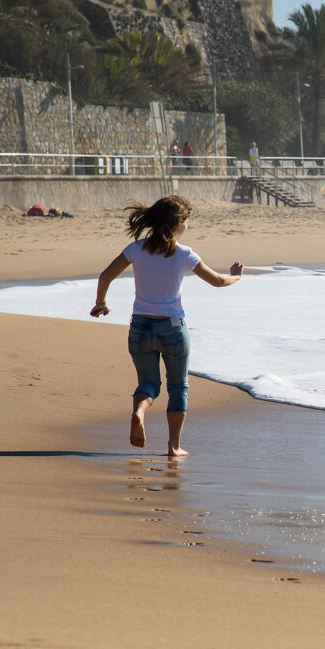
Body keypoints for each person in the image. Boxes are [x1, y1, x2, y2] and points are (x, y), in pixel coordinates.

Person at [89, 195, 243, 459]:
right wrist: (236, 276)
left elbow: (106, 276)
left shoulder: (136, 248)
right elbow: (217, 281)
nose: (186, 228)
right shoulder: (184, 254)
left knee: (148, 383)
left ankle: (139, 413)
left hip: (140, 327)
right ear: (177, 224)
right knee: (178, 387)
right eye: (185, 222)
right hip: (172, 328)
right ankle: (173, 447)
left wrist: (101, 303)